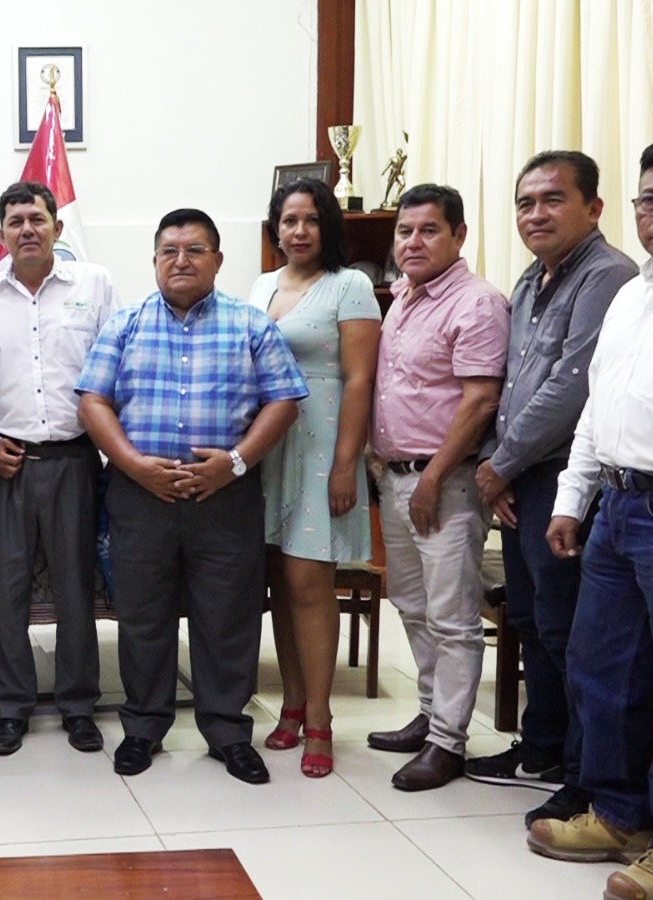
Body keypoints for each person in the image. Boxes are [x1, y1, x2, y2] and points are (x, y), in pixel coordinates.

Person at [529, 129, 653, 900]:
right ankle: (620, 812)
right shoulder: (633, 293)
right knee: (603, 671)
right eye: (651, 199)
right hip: (616, 504)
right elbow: (597, 405)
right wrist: (573, 498)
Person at [76, 208, 306, 783]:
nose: (181, 261)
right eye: (169, 251)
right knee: (142, 618)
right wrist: (133, 466)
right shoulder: (125, 324)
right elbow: (92, 402)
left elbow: (284, 400)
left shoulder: (250, 325)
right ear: (154, 260)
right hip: (140, 496)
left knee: (227, 617)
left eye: (195, 250)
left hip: (225, 497)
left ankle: (227, 732)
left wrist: (235, 462)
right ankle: (142, 728)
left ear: (218, 260)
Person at [463, 153, 636, 825]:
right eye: (525, 202)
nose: (536, 214)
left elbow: (572, 386)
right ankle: (542, 748)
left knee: (573, 632)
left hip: (567, 480)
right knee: (533, 619)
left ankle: (585, 772)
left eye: (552, 200)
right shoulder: (533, 276)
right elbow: (509, 382)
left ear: (593, 208)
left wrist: (500, 465)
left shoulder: (607, 275)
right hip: (521, 477)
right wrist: (496, 463)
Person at [365, 184, 509, 792]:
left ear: (459, 235)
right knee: (412, 603)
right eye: (405, 231)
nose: (413, 242)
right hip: (395, 477)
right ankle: (429, 715)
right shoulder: (402, 297)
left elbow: (480, 401)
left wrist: (431, 478)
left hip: (443, 483)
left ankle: (448, 742)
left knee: (452, 617)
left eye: (429, 230)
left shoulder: (476, 303)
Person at [0, 181, 116, 757]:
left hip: (75, 460)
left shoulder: (94, 285)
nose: (27, 229)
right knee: (6, 595)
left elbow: (115, 368)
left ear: (57, 226)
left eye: (36, 218)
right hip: (8, 464)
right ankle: (10, 709)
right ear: (0, 234)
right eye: (15, 221)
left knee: (77, 590)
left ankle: (78, 706)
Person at [247, 179, 381, 779]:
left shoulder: (350, 286)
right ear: (275, 228)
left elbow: (359, 379)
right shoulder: (262, 285)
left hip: (323, 445)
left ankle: (322, 719)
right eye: (288, 220)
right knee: (279, 581)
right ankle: (293, 704)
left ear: (327, 226)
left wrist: (346, 462)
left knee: (308, 582)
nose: (298, 231)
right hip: (269, 447)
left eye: (310, 219)